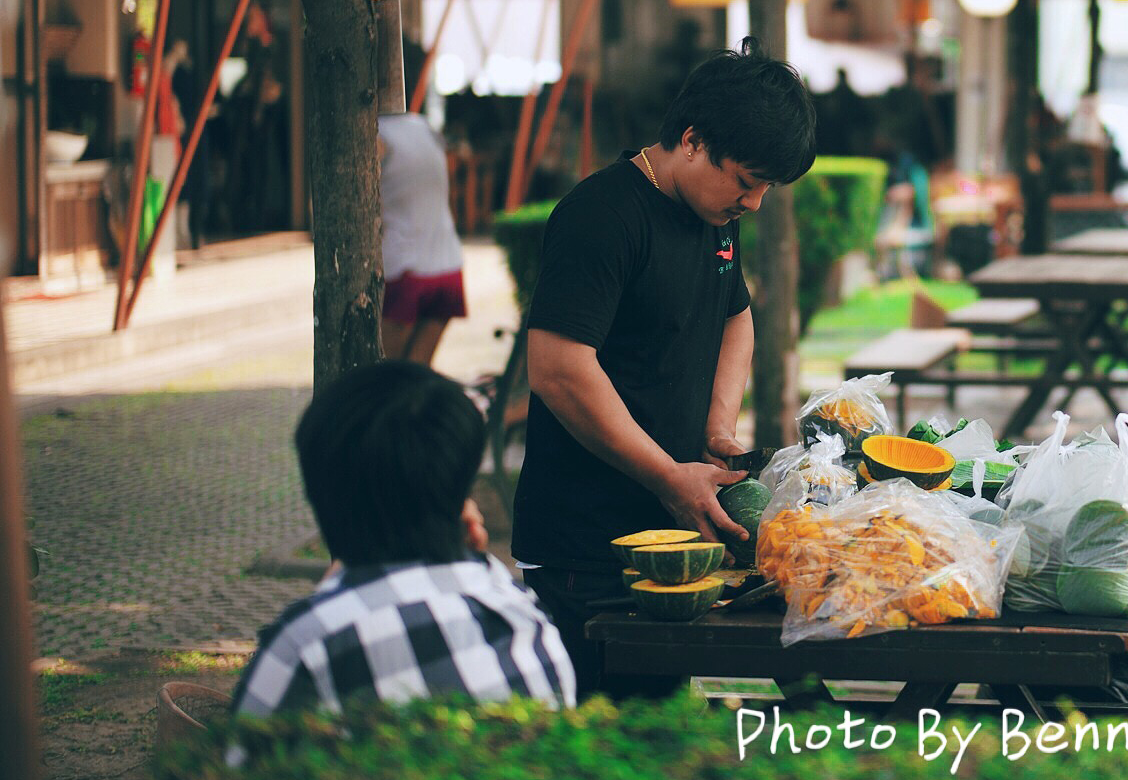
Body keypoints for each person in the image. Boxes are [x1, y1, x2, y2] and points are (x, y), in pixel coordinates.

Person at [512, 38, 816, 694]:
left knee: (658, 726)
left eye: (765, 188)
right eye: (746, 181)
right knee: (599, 746)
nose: (754, 203)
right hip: (588, 548)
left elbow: (738, 314)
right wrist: (667, 475)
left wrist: (716, 427)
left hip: (671, 536)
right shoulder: (601, 216)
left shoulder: (710, 211)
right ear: (690, 139)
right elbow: (558, 368)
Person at [232, 361, 575, 718]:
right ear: (462, 503)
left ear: (321, 498)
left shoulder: (302, 644)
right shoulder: (526, 618)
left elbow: (237, 761)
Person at [378, 111, 467, 365]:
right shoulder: (423, 126)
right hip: (447, 265)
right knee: (418, 372)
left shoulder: (374, 134)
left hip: (403, 268)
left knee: (388, 374)